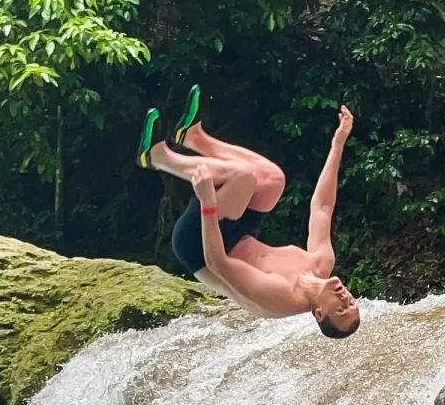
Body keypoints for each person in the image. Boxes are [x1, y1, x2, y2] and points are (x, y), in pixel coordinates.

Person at [137, 87, 360, 337]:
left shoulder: (281, 296)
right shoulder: (322, 263)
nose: (345, 299)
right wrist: (338, 142)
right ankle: (192, 137)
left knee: (241, 178)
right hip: (238, 232)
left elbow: (218, 263)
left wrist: (208, 204)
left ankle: (158, 157)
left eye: (340, 310)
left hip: (200, 247)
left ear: (319, 313)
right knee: (273, 179)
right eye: (351, 303)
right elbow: (322, 207)